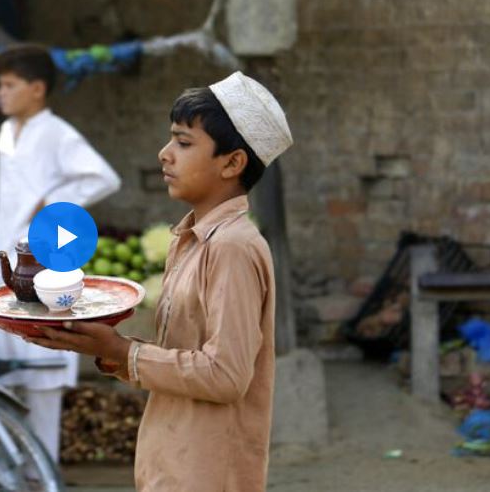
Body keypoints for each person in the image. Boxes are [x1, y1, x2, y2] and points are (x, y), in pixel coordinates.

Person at [26, 71, 293, 491]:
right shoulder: (189, 240)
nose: (165, 154)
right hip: (170, 461)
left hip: (207, 472)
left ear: (232, 162)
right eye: (171, 139)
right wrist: (109, 350)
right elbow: (182, 357)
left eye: (184, 143)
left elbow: (225, 375)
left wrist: (125, 351)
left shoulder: (233, 247)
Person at [0, 44, 121, 461]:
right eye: (0, 85)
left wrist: (54, 200)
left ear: (37, 89)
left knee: (41, 376)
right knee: (4, 377)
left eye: (9, 85)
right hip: (4, 257)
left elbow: (102, 177)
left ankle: (44, 476)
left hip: (43, 256)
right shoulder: (6, 133)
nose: (0, 93)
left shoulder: (57, 131)